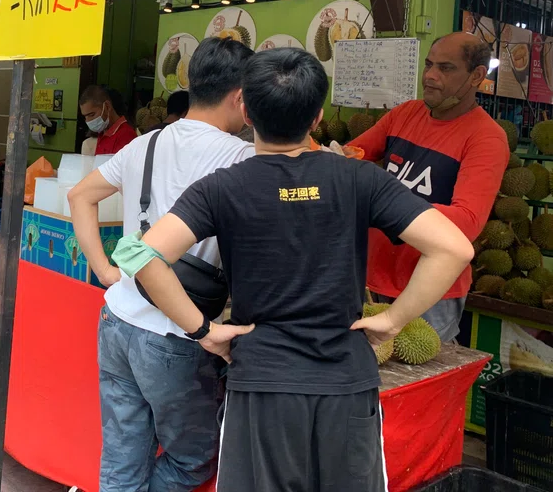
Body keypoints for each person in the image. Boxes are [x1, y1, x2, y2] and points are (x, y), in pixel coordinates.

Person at [118, 48, 474, 492]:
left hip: (261, 384)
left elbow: (139, 257)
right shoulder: (360, 178)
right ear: (318, 117)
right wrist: (393, 319)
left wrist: (203, 331)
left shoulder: (222, 186)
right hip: (346, 382)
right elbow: (454, 248)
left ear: (246, 109)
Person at [68, 38, 255, 492]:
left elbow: (79, 196)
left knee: (122, 453)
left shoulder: (145, 143)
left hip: (117, 317)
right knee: (193, 459)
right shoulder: (243, 158)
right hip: (178, 332)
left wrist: (105, 270)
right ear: (240, 96)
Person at [350, 32, 508, 342]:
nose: (431, 76)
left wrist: (383, 208)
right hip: (369, 278)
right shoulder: (405, 113)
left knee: (413, 384)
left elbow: (468, 222)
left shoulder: (486, 139)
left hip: (430, 293)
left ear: (477, 76)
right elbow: (351, 156)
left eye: (446, 68)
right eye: (429, 65)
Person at [79, 85, 136, 155]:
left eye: (91, 115)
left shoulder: (126, 135)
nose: (88, 121)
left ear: (107, 106)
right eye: (85, 117)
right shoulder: (102, 133)